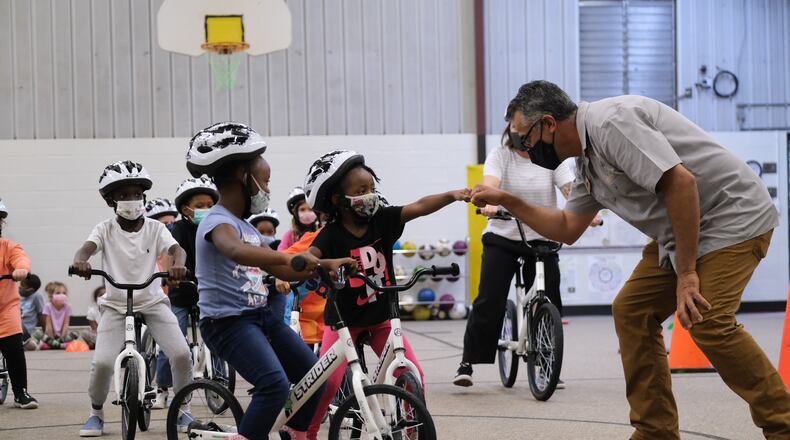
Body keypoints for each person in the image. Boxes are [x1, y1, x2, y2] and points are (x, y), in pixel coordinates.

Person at [468, 80, 790, 439]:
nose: (523, 148)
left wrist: (686, 274)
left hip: (732, 216)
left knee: (707, 318)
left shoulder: (611, 124)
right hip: (680, 229)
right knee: (632, 311)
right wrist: (508, 200)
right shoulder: (586, 164)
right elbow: (566, 227)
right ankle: (655, 432)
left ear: (548, 123)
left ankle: (783, 425)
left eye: (524, 139)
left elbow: (681, 184)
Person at [187, 122, 352, 440]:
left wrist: (323, 265)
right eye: (265, 181)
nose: (267, 190)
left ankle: (295, 432)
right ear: (242, 175)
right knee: (273, 384)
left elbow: (286, 269)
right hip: (227, 323)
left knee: (316, 376)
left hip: (261, 318)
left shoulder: (247, 227)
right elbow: (234, 250)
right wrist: (286, 258)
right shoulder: (216, 221)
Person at [303, 149, 470, 439]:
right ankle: (306, 431)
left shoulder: (383, 220)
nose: (370, 195)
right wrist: (323, 265)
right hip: (344, 321)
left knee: (413, 375)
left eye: (372, 188)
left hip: (381, 318)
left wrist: (453, 195)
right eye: (361, 191)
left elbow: (419, 206)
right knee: (328, 383)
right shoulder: (330, 234)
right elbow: (309, 257)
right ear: (337, 201)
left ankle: (411, 430)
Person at [454, 126, 603, 387]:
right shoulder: (500, 155)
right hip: (503, 236)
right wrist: (489, 202)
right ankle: (468, 362)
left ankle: (547, 366)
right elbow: (491, 183)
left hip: (542, 237)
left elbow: (570, 189)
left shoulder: (550, 158)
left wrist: (588, 212)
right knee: (490, 298)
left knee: (551, 298)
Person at [71, 160, 192, 437]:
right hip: (115, 305)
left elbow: (177, 249)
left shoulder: (155, 228)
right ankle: (96, 413)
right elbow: (85, 249)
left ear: (144, 197)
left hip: (152, 301)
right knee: (102, 363)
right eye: (123, 195)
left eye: (136, 194)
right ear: (111, 200)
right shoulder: (104, 229)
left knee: (181, 353)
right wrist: (81, 262)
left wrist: (177, 264)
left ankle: (184, 409)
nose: (131, 200)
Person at [151, 176, 219, 409]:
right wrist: (171, 272)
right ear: (185, 209)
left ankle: (219, 377)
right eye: (200, 206)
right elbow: (172, 253)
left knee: (219, 334)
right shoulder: (176, 229)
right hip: (181, 292)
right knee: (171, 339)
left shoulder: (216, 230)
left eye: (210, 205)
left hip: (208, 293)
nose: (206, 210)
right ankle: (161, 387)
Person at [0, 198, 39, 409]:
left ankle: (20, 393)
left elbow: (20, 258)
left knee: (14, 347)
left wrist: (20, 269)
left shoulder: (8, 247)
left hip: (5, 308)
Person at [36, 284, 79, 349]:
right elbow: (49, 325)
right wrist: (52, 339)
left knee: (75, 333)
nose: (62, 295)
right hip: (50, 336)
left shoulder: (67, 307)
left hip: (62, 337)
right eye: (58, 293)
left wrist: (62, 339)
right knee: (37, 333)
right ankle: (58, 345)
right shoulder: (48, 306)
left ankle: (55, 345)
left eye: (64, 293)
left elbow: (66, 324)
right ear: (51, 295)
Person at [18, 274, 44, 351]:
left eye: (22, 285)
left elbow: (41, 314)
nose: (19, 287)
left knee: (30, 345)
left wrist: (45, 332)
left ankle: (29, 343)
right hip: (16, 327)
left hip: (27, 330)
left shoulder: (36, 296)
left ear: (30, 289)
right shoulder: (18, 296)